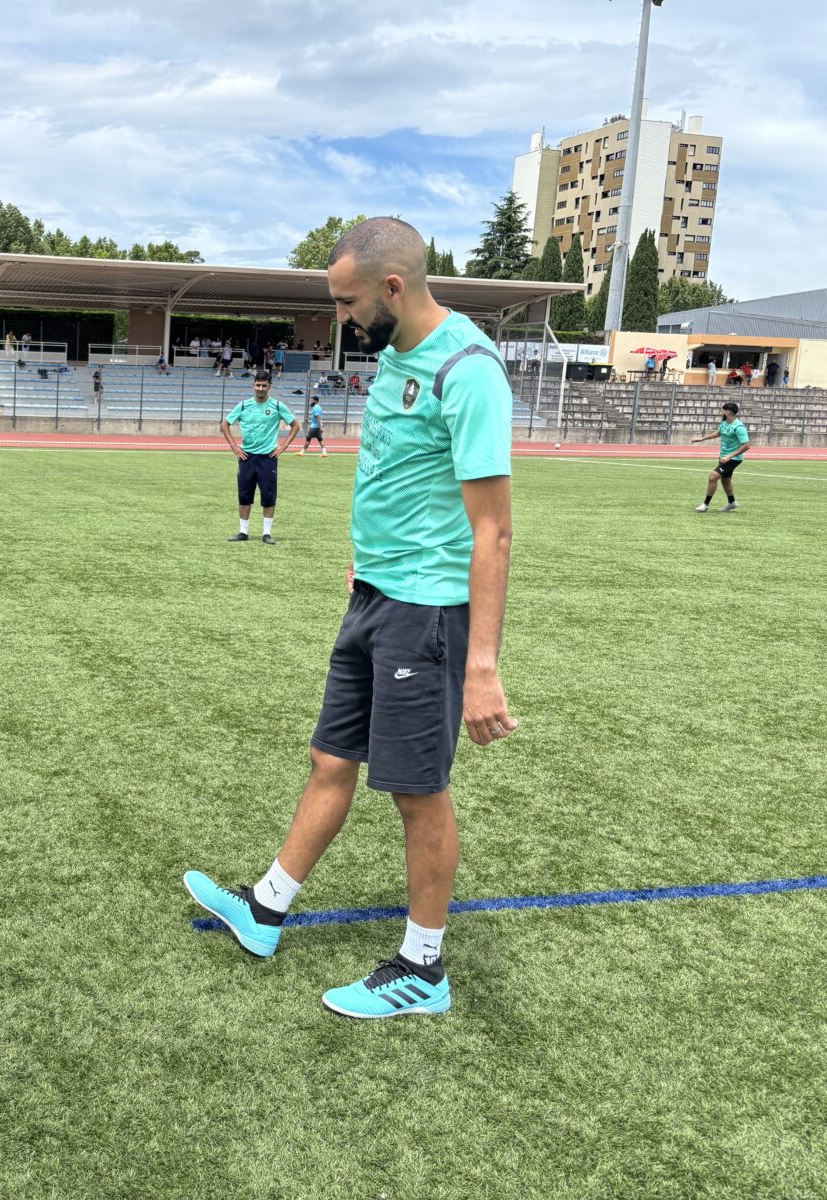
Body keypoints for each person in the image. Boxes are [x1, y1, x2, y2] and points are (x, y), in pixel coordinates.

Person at [186, 217, 517, 1019]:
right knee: (330, 758)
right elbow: (402, 480)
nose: (339, 318)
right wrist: (365, 560)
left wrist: (480, 664)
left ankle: (423, 972)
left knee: (416, 792)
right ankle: (266, 910)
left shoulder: (467, 370)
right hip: (373, 593)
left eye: (345, 303)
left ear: (392, 289)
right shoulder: (397, 356)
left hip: (426, 612)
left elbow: (494, 529)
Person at [221, 369, 300, 544]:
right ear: (253, 386)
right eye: (258, 385)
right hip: (246, 457)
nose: (261, 388)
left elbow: (295, 425)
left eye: (264, 385)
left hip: (268, 458)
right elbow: (225, 423)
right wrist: (234, 447)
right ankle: (243, 532)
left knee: (268, 495)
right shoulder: (243, 405)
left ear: (269, 386)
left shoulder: (277, 406)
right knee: (244, 494)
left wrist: (283, 446)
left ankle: (266, 533)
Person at [692, 400, 749, 513]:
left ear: (727, 412)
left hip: (733, 459)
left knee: (713, 477)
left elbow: (746, 446)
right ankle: (732, 502)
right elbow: (719, 433)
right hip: (723, 456)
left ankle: (705, 505)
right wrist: (701, 439)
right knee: (725, 480)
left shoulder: (739, 427)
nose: (721, 413)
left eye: (722, 411)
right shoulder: (725, 423)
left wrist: (729, 457)